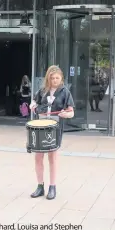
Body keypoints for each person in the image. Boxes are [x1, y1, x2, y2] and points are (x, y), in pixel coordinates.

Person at [29, 65, 75, 200]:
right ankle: (39, 186)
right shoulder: (42, 91)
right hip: (40, 126)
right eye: (52, 78)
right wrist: (32, 105)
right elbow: (34, 101)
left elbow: (71, 112)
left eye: (57, 78)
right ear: (48, 78)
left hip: (55, 127)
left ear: (61, 78)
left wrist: (65, 114)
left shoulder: (65, 92)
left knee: (52, 157)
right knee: (38, 157)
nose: (55, 80)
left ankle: (52, 187)